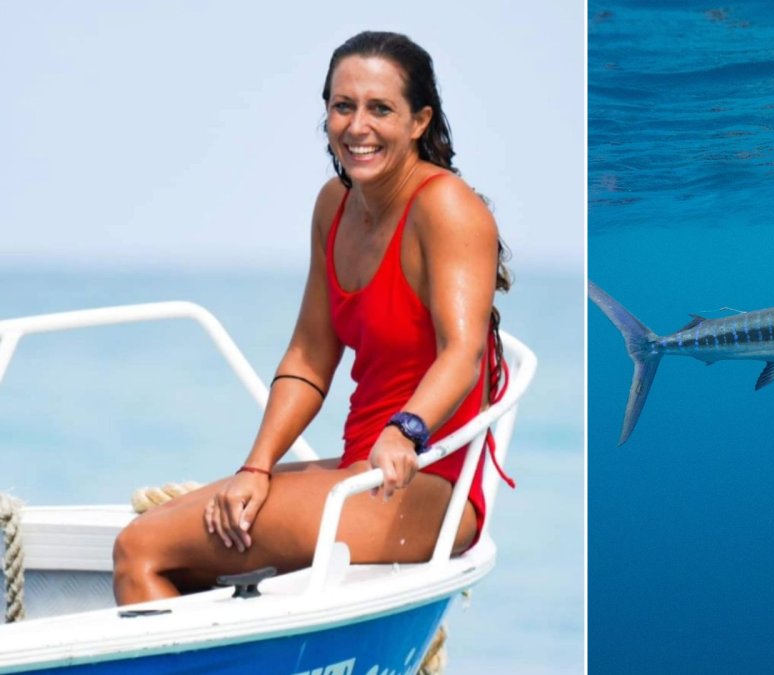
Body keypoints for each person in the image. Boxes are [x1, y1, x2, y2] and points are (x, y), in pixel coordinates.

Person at [112, 31, 511, 604]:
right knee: (186, 564)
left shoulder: (446, 207)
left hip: (425, 481)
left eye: (380, 109)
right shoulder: (335, 204)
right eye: (342, 106)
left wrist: (406, 430)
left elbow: (463, 353)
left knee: (138, 549)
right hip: (358, 472)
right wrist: (257, 466)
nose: (357, 126)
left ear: (420, 121)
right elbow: (309, 355)